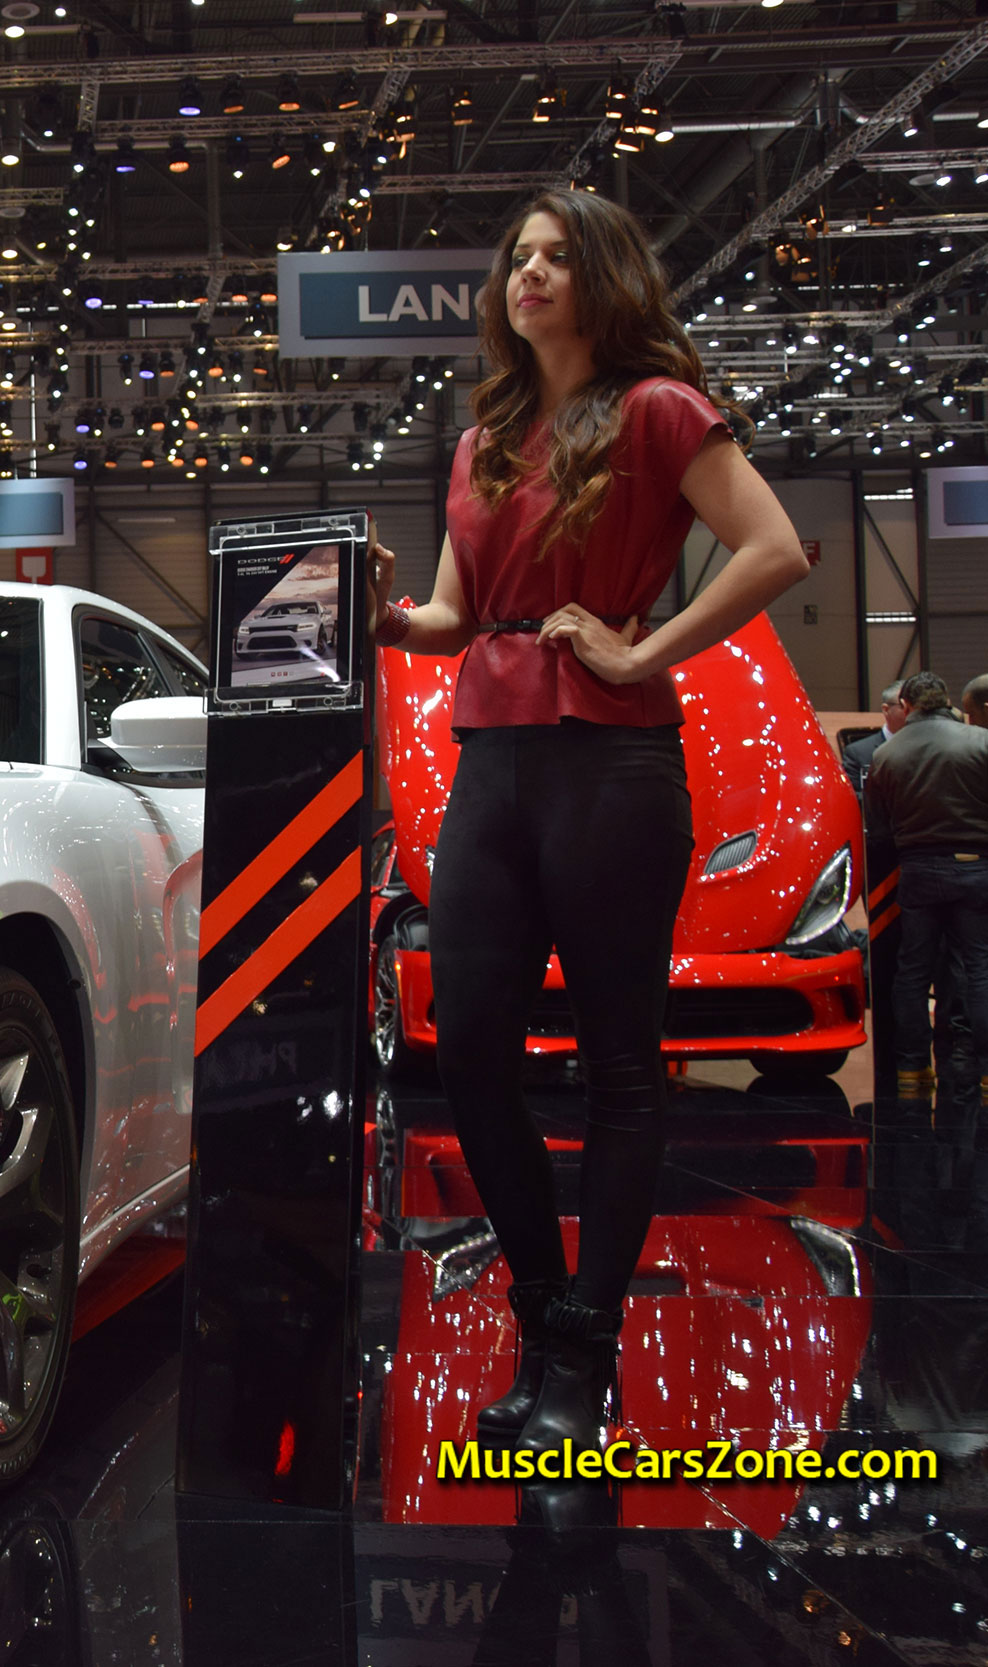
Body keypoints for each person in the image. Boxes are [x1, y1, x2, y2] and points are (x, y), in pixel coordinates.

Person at [363, 190, 812, 1461]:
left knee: (620, 1061)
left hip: (613, 764)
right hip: (490, 762)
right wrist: (382, 617)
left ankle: (584, 1344)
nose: (531, 274)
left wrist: (642, 649)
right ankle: (542, 1311)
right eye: (519, 257)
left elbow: (775, 547)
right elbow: (456, 618)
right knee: (473, 1056)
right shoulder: (481, 439)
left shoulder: (659, 408)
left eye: (558, 257)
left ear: (603, 275)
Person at [863, 672, 988, 1108]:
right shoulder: (981, 742)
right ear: (947, 700)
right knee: (980, 967)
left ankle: (912, 1068)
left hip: (916, 871)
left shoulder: (885, 754)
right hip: (976, 868)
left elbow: (877, 826)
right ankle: (985, 1070)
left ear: (906, 705)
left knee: (912, 971)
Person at [842, 679, 909, 795]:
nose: (912, 712)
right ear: (886, 710)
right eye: (904, 706)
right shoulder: (858, 753)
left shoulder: (928, 748)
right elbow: (852, 796)